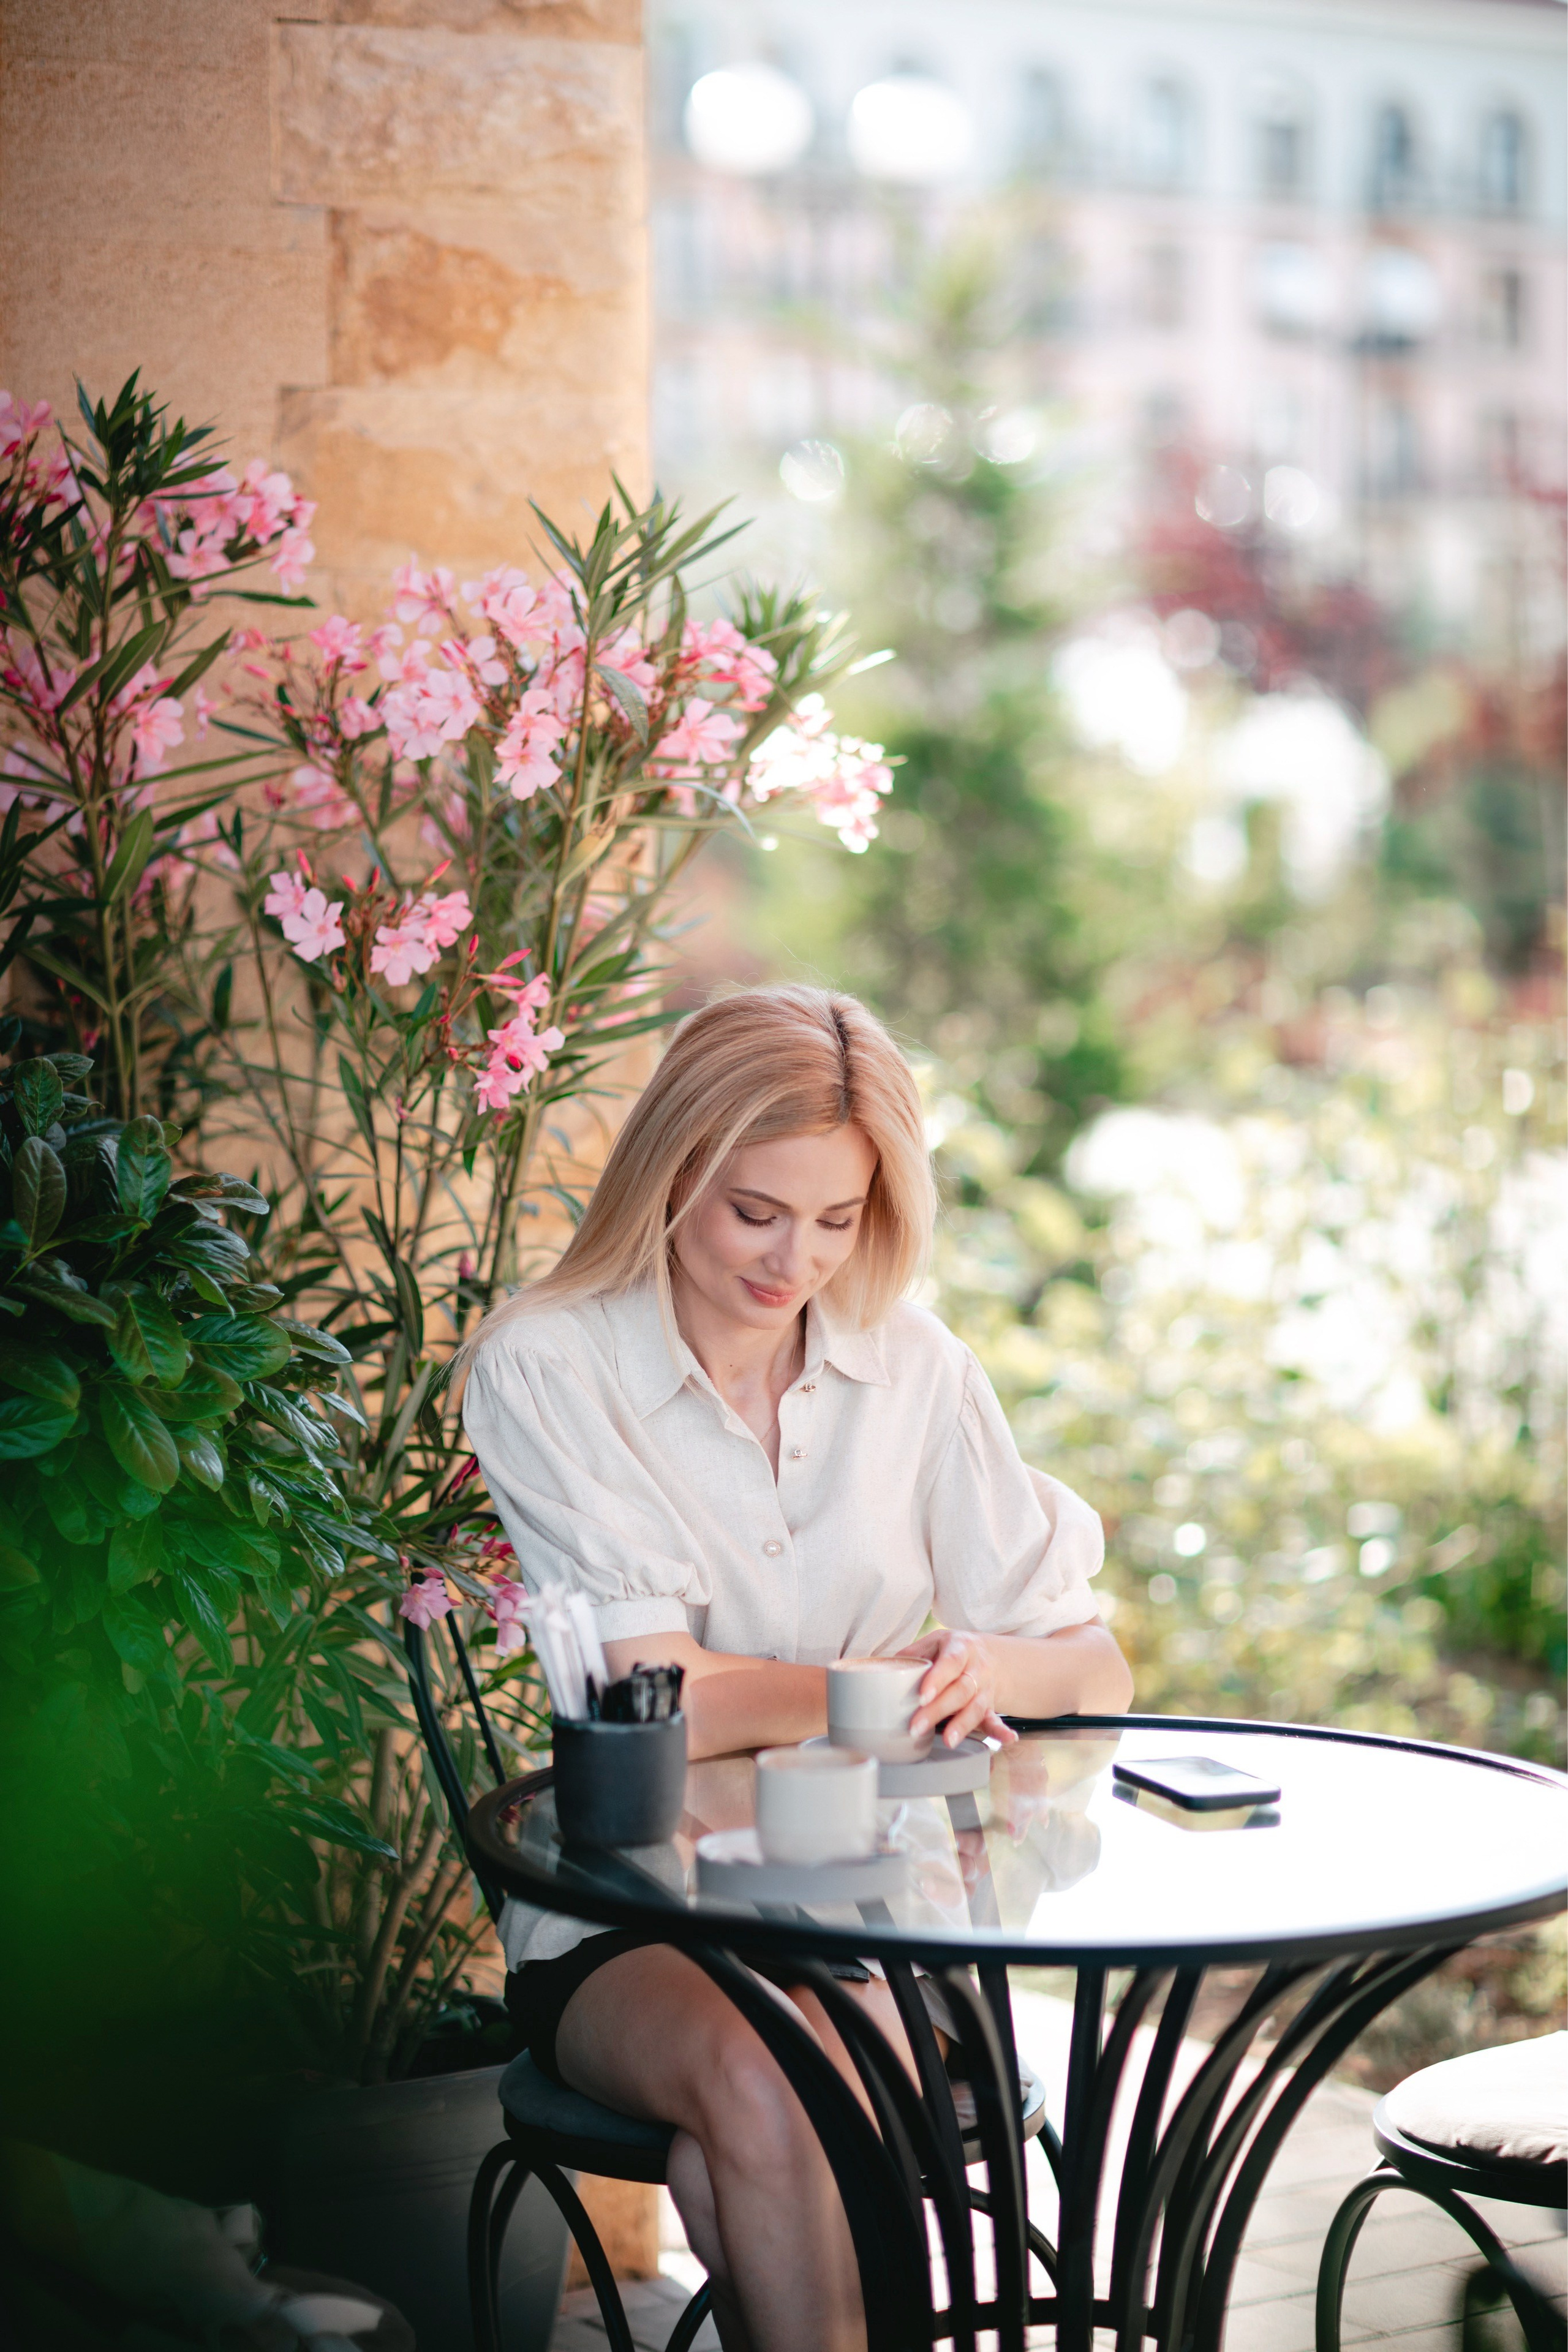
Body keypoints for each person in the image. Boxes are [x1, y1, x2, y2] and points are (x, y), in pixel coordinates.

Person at [461, 984, 1132, 2352]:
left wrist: (980, 1662)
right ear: (673, 1171)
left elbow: (1094, 1669)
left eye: (839, 1219)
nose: (797, 1261)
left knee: (783, 2108)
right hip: (629, 1916)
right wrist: (871, 1688)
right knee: (782, 2084)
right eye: (756, 1212)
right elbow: (662, 1693)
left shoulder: (916, 1369)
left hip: (879, 1911)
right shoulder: (549, 1364)